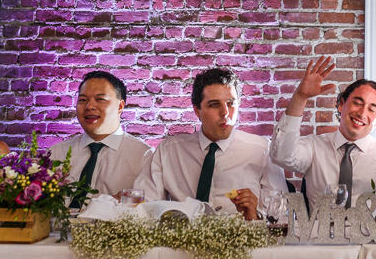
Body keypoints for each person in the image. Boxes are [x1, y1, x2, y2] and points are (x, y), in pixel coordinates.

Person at [269, 56, 376, 206]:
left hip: (372, 234)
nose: (362, 113)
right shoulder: (315, 147)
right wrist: (300, 97)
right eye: (357, 103)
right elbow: (281, 156)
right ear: (341, 104)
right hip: (318, 233)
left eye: (372, 109)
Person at [134, 68, 286, 219]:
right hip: (182, 240)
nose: (225, 113)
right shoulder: (169, 151)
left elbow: (281, 215)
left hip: (242, 240)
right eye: (214, 104)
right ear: (197, 110)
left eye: (231, 103)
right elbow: (144, 206)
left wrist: (254, 217)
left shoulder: (262, 150)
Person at [49, 71, 152, 205]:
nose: (89, 106)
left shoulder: (144, 156)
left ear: (120, 106)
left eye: (100, 99)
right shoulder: (55, 154)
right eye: (82, 100)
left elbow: (147, 203)